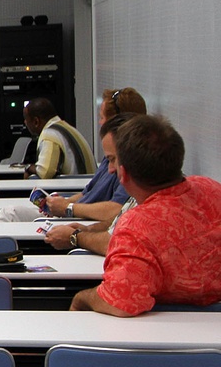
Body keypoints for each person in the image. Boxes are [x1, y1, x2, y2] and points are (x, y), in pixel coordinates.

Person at [70, 115, 221, 316]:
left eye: (113, 161)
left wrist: (81, 298)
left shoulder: (136, 226)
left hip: (166, 338)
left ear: (123, 174)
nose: (110, 168)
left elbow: (122, 303)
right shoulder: (212, 189)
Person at [0, 87, 146, 223]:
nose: (100, 123)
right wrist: (61, 203)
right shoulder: (109, 158)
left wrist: (69, 207)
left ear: (118, 122)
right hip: (76, 212)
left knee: (9, 214)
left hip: (82, 218)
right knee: (10, 212)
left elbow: (116, 210)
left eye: (102, 118)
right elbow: (88, 193)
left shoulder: (130, 163)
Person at [44, 113, 139, 255]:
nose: (111, 169)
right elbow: (115, 224)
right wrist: (87, 230)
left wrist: (75, 236)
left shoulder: (153, 206)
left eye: (113, 159)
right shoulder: (137, 196)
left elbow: (113, 243)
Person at [21, 97, 96, 179]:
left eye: (26, 120)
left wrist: (28, 168)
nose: (25, 123)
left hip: (76, 189)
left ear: (36, 122)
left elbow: (45, 172)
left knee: (33, 179)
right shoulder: (68, 128)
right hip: (89, 185)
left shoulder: (49, 134)